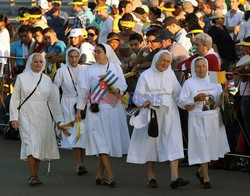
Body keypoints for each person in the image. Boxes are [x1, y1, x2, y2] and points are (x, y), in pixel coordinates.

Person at [127, 50, 189, 189]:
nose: (165, 64)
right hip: (151, 114)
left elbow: (178, 95)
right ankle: (151, 176)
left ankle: (175, 177)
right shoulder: (145, 76)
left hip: (169, 114)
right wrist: (149, 101)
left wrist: (186, 104)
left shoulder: (170, 74)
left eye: (168, 61)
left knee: (173, 142)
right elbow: (137, 98)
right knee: (151, 143)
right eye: (163, 60)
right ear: (156, 59)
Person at [75, 44, 130, 187]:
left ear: (107, 53)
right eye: (95, 52)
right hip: (96, 109)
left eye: (99, 52)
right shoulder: (89, 69)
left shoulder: (115, 67)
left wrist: (117, 89)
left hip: (113, 107)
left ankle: (99, 175)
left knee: (107, 143)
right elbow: (83, 91)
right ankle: (111, 176)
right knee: (102, 142)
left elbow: (124, 85)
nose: (96, 55)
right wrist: (79, 110)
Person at [9, 53, 63, 185]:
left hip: (43, 115)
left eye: (40, 61)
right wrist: (14, 118)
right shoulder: (22, 78)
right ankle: (32, 175)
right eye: (36, 61)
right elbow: (15, 98)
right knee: (30, 143)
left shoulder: (47, 80)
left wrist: (58, 119)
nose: (38, 63)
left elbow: (53, 101)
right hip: (26, 114)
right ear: (30, 63)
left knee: (39, 144)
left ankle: (35, 175)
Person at [179, 57, 230, 189]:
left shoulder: (214, 80)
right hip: (198, 119)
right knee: (202, 147)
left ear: (207, 67)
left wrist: (224, 95)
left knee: (212, 148)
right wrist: (194, 99)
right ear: (194, 68)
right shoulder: (189, 83)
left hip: (214, 119)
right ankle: (206, 178)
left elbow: (220, 97)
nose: (201, 69)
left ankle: (201, 172)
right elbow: (181, 101)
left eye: (203, 66)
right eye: (198, 66)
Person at [54, 47, 88, 175]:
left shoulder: (84, 70)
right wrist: (56, 104)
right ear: (67, 57)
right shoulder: (62, 70)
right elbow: (55, 87)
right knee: (75, 134)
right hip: (68, 104)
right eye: (71, 56)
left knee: (83, 135)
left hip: (82, 103)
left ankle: (82, 163)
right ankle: (78, 164)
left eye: (76, 56)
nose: (73, 59)